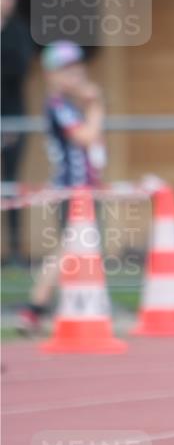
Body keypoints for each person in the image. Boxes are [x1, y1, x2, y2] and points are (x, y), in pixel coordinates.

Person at [17, 41, 106, 335]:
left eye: (77, 67)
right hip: (72, 190)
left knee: (74, 248)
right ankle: (35, 307)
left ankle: (53, 307)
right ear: (51, 76)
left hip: (84, 189)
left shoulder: (69, 106)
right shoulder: (58, 105)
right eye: (66, 70)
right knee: (68, 249)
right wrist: (96, 105)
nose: (75, 74)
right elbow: (86, 137)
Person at [1, 0, 34, 265]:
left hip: (11, 118)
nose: (5, 0)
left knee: (11, 184)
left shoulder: (18, 31)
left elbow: (19, 70)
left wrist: (11, 123)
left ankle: (14, 251)